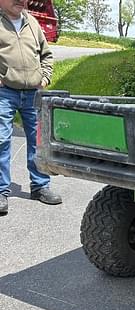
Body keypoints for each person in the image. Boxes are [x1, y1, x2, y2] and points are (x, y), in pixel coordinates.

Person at [0, 0, 61, 215]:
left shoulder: (32, 22)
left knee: (38, 141)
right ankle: (1, 191)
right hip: (4, 93)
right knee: (1, 141)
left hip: (33, 94)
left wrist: (44, 79)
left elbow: (47, 55)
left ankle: (40, 186)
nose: (21, 1)